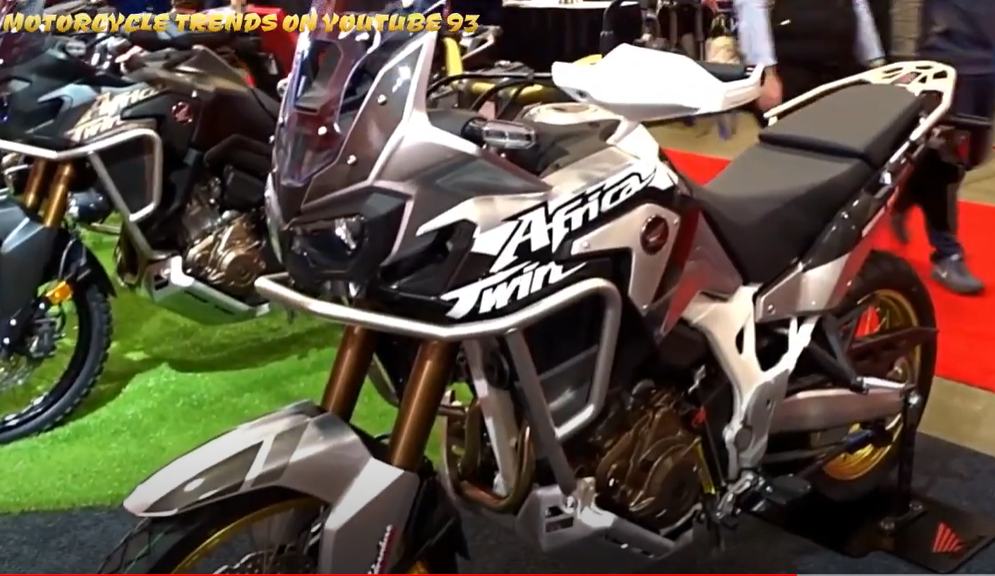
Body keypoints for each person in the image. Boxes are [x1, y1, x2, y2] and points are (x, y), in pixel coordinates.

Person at [888, 0, 993, 295]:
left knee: (973, 158)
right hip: (947, 63)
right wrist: (905, 62)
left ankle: (905, 198)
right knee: (946, 161)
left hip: (988, 66)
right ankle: (947, 254)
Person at [730, 0, 887, 120]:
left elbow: (859, 8)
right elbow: (753, 11)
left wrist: (877, 64)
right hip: (792, 70)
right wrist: (768, 75)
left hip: (842, 64)